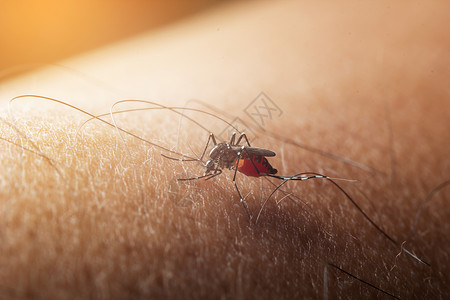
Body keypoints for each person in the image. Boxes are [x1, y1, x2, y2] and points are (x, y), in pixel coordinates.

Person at [0, 1, 448, 298]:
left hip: (247, 160)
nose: (218, 161)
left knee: (227, 145)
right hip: (243, 160)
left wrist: (230, 167)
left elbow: (227, 157)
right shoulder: (225, 154)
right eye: (216, 162)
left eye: (217, 163)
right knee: (225, 143)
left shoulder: (232, 160)